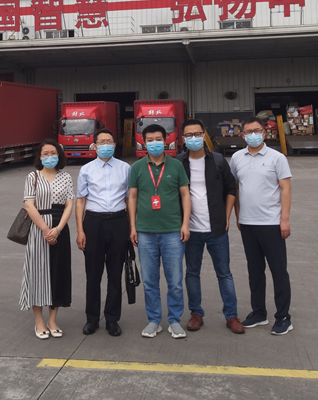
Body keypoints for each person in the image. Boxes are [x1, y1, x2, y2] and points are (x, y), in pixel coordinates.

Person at [176, 119, 245, 334]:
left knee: (224, 273)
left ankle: (231, 316)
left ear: (204, 135)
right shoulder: (178, 163)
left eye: (197, 134)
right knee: (192, 273)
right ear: (183, 138)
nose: (193, 138)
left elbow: (231, 189)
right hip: (191, 230)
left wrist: (226, 216)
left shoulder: (217, 160)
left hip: (216, 229)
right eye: (189, 135)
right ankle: (196, 314)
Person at [230, 116, 294, 336]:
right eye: (248, 132)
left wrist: (284, 219)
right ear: (242, 135)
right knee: (255, 271)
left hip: (272, 223)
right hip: (248, 224)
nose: (253, 135)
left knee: (278, 271)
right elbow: (236, 188)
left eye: (257, 130)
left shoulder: (277, 158)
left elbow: (286, 189)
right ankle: (258, 312)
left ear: (264, 133)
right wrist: (238, 215)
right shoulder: (237, 158)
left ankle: (283, 316)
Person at [127, 123, 191, 339]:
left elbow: (185, 195)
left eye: (158, 139)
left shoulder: (176, 165)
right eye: (150, 140)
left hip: (172, 231)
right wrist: (133, 226)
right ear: (144, 143)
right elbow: (132, 197)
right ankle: (154, 320)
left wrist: (185, 224)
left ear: (166, 141)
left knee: (175, 281)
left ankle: (174, 320)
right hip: (145, 232)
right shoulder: (137, 167)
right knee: (149, 281)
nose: (154, 143)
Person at [75, 128, 131, 337]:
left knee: (115, 273)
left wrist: (131, 226)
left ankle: (112, 319)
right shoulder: (86, 170)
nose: (106, 145)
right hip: (93, 222)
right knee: (93, 274)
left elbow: (129, 199)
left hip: (118, 221)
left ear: (115, 145)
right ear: (95, 146)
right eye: (101, 142)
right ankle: (92, 319)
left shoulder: (125, 168)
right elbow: (80, 201)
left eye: (109, 141)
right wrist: (80, 230)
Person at [19, 139, 75, 339]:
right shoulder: (33, 177)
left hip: (60, 229)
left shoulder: (66, 177)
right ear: (40, 156)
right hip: (38, 230)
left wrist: (57, 230)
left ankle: (52, 320)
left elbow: (69, 205)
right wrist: (45, 229)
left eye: (53, 153)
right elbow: (29, 205)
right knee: (38, 273)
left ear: (59, 155)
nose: (49, 157)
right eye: (45, 153)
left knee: (58, 273)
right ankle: (39, 321)